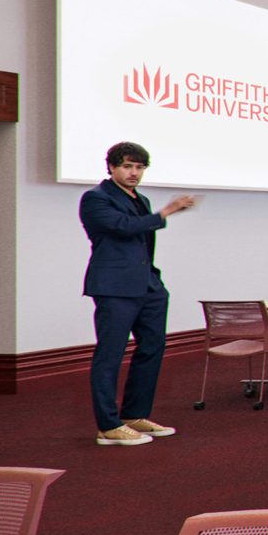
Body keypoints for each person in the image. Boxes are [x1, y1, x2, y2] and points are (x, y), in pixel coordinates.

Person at [81, 141, 197, 446]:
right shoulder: (95, 198)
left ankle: (134, 415)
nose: (134, 173)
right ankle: (108, 426)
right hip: (115, 287)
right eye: (127, 166)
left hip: (148, 286)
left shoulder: (140, 199)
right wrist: (167, 211)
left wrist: (155, 282)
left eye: (139, 167)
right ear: (111, 167)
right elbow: (122, 227)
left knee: (152, 348)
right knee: (110, 354)